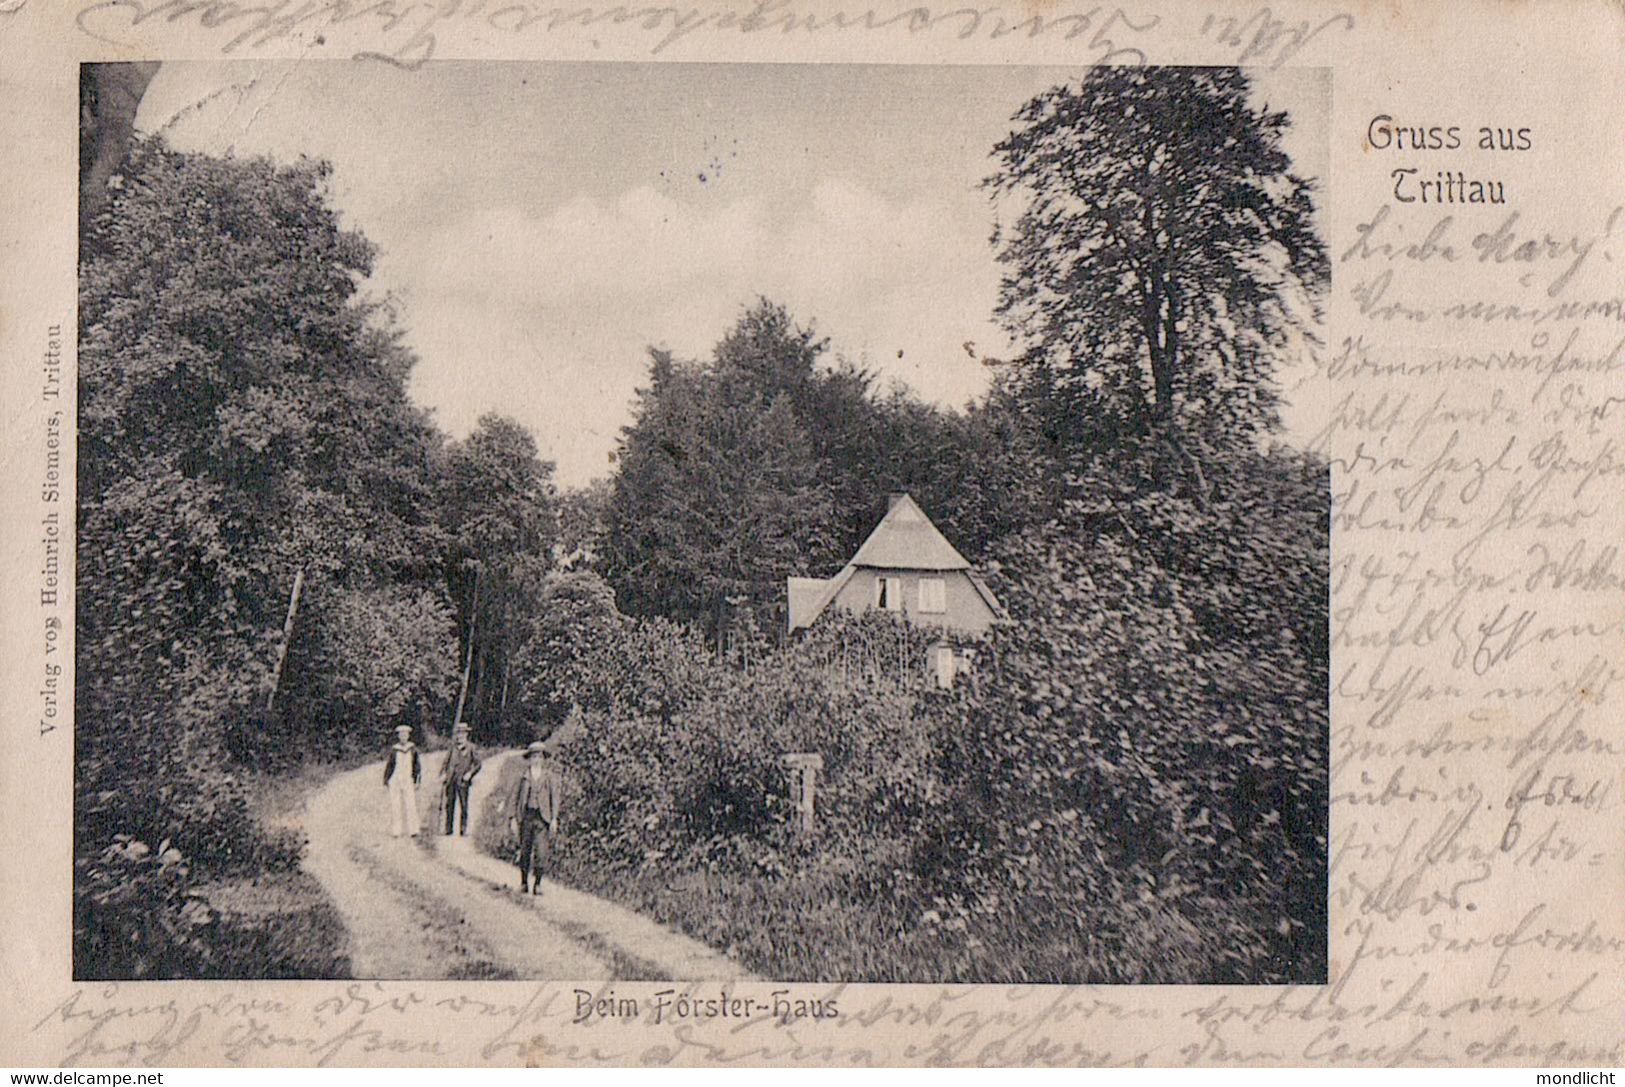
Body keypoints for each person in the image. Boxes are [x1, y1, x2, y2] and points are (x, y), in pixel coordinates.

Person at [509, 741, 561, 895]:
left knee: (541, 852)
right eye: (534, 756)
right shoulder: (523, 776)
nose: (537, 759)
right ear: (530, 758)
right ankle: (524, 882)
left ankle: (538, 884)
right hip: (526, 817)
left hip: (542, 818)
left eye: (539, 756)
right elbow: (514, 797)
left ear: (543, 759)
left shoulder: (549, 776)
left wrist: (554, 819)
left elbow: (555, 798)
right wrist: (512, 818)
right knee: (525, 851)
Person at [441, 721, 483, 836]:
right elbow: (445, 762)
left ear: (466, 735)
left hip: (463, 781)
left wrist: (470, 773)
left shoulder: (471, 748)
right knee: (449, 804)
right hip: (451, 779)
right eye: (458, 733)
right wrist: (443, 774)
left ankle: (463, 829)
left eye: (462, 733)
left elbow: (478, 764)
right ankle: (448, 829)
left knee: (463, 805)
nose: (460, 736)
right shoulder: (452, 747)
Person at [382, 724, 422, 838]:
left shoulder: (412, 749)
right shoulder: (394, 750)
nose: (403, 737)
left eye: (405, 734)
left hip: (408, 779)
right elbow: (389, 765)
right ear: (398, 736)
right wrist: (386, 780)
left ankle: (413, 830)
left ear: (408, 736)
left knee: (411, 804)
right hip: (395, 779)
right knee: (395, 805)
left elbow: (417, 766)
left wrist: (417, 780)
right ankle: (396, 830)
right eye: (401, 735)